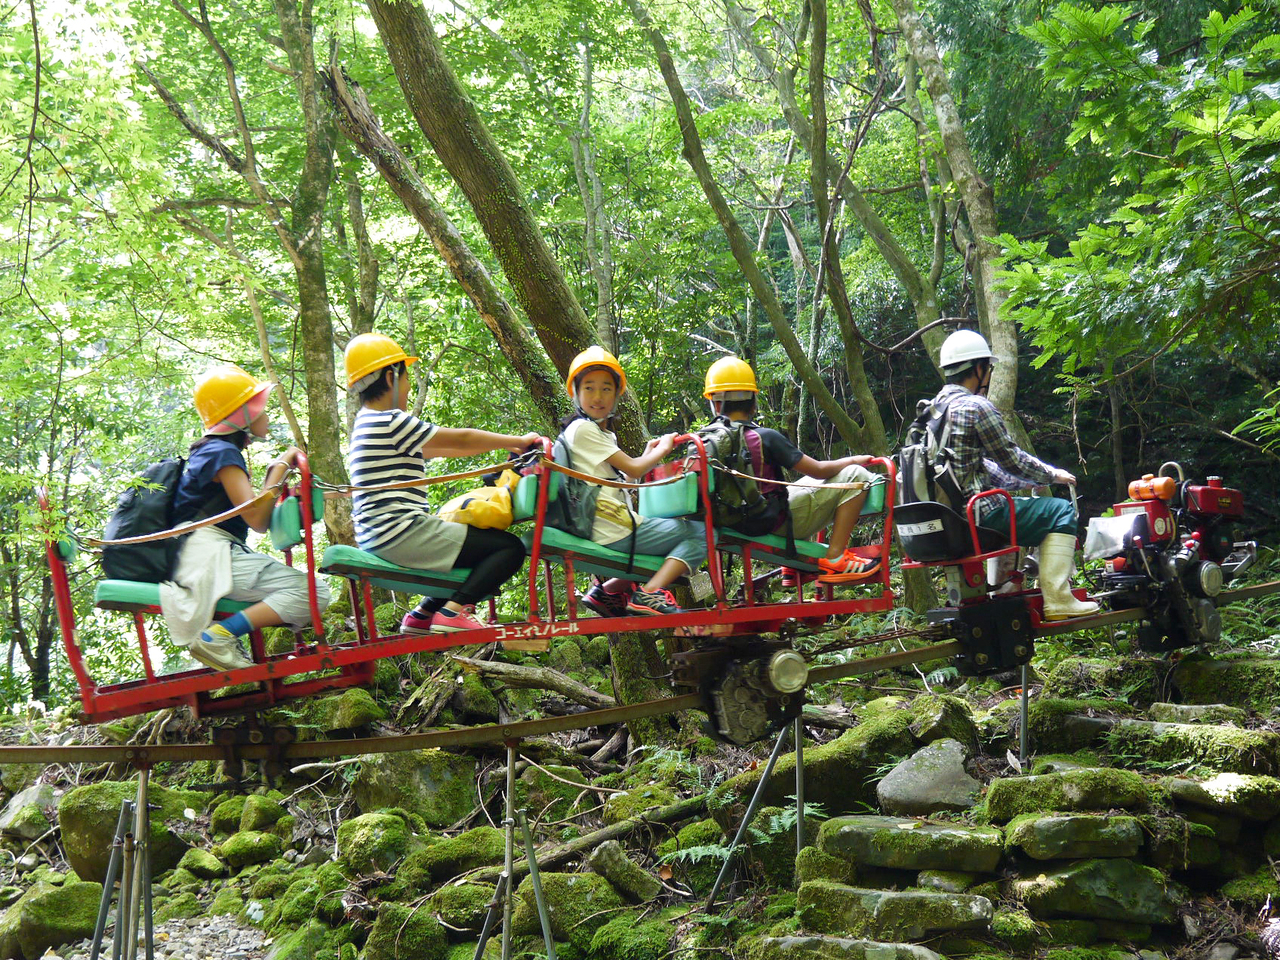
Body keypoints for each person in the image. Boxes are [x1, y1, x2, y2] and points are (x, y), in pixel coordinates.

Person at [345, 333, 540, 634]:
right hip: (400, 533)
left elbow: (439, 448)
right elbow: (461, 438)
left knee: (476, 545)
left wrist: (501, 454)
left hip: (380, 534)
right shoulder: (389, 421)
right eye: (407, 377)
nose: (408, 388)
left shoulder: (365, 422)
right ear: (390, 377)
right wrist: (519, 440)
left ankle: (422, 614)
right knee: (508, 549)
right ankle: (451, 613)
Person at [160, 365, 332, 671]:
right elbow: (256, 518)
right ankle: (218, 637)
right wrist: (279, 467)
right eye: (260, 408)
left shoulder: (210, 451)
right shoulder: (222, 454)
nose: (266, 415)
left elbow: (255, 516)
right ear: (242, 415)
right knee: (314, 592)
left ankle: (221, 638)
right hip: (206, 555)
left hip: (198, 553)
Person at [929, 329, 1098, 620]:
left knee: (1009, 511)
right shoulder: (975, 407)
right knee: (1058, 511)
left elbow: (990, 470)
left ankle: (1001, 593)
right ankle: (1058, 599)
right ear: (979, 368)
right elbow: (1011, 460)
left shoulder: (930, 412)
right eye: (988, 368)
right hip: (975, 514)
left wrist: (1043, 477)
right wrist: (1050, 475)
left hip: (943, 518)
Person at [559, 347, 713, 618]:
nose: (598, 396)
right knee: (704, 532)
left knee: (674, 552)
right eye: (589, 388)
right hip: (612, 529)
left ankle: (607, 591)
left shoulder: (599, 434)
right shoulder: (582, 429)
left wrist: (646, 455)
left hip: (608, 524)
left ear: (616, 394)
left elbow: (624, 481)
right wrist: (663, 449)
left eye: (606, 389)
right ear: (576, 394)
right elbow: (634, 468)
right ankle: (650, 593)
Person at [700, 356, 883, 585]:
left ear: (715, 404)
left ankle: (792, 567)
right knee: (857, 475)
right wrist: (855, 460)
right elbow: (818, 470)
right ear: (753, 401)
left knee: (798, 484)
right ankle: (836, 558)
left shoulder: (705, 440)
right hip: (771, 524)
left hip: (733, 521)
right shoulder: (764, 436)